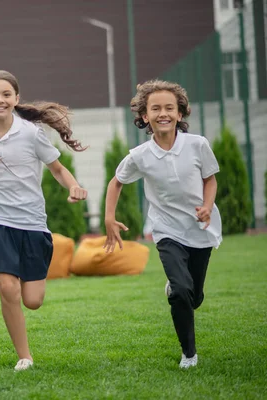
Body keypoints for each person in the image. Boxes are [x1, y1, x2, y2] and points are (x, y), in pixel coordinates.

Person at [0, 70, 87, 371]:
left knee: (33, 300)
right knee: (7, 289)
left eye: (6, 94)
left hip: (32, 222)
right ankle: (24, 356)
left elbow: (57, 169)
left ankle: (26, 335)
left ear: (16, 98)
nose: (0, 100)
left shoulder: (31, 133)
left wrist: (74, 185)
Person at [103, 79, 222, 369]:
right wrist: (109, 219)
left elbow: (210, 178)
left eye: (170, 107)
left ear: (180, 114)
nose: (163, 113)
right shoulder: (140, 155)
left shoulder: (198, 145)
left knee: (193, 297)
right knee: (182, 290)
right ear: (144, 116)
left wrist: (207, 207)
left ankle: (178, 290)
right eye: (155, 108)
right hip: (166, 229)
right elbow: (116, 182)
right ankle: (189, 355)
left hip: (200, 229)